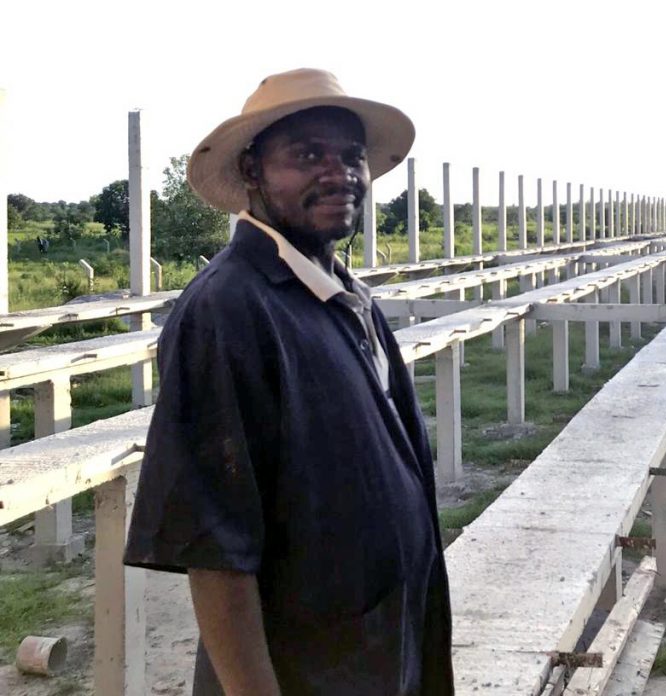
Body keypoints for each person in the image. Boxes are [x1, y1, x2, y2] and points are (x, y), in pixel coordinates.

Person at [123, 68, 454, 696]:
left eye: (351, 156)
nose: (339, 173)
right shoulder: (231, 308)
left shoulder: (344, 295)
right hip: (305, 669)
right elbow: (215, 547)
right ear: (252, 172)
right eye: (307, 155)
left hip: (376, 651)